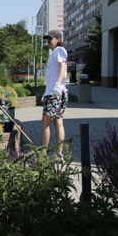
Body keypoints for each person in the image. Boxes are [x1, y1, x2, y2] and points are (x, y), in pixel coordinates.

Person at [41, 30, 68, 160]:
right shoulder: (55, 53)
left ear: (57, 39)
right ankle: (58, 153)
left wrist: (57, 85)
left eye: (50, 39)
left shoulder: (60, 51)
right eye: (47, 39)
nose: (48, 42)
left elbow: (63, 66)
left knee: (46, 123)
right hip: (55, 92)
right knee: (58, 122)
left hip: (55, 93)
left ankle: (43, 154)